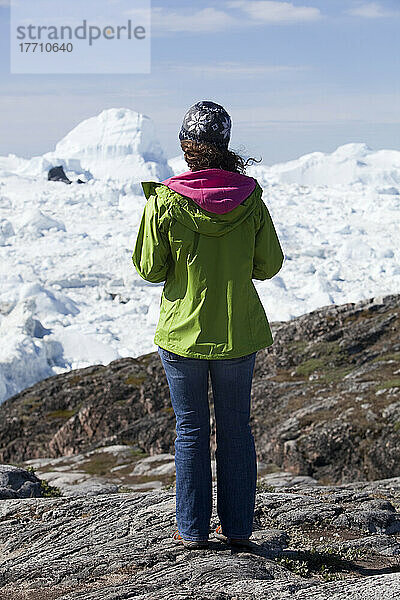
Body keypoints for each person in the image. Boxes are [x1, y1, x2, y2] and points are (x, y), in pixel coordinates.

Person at [132, 100, 284, 550]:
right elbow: (269, 264)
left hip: (182, 335)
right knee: (236, 429)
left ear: (186, 147)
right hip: (237, 334)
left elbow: (149, 269)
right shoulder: (250, 199)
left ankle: (193, 531)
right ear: (225, 146)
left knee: (191, 431)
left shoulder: (164, 202)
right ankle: (237, 528)